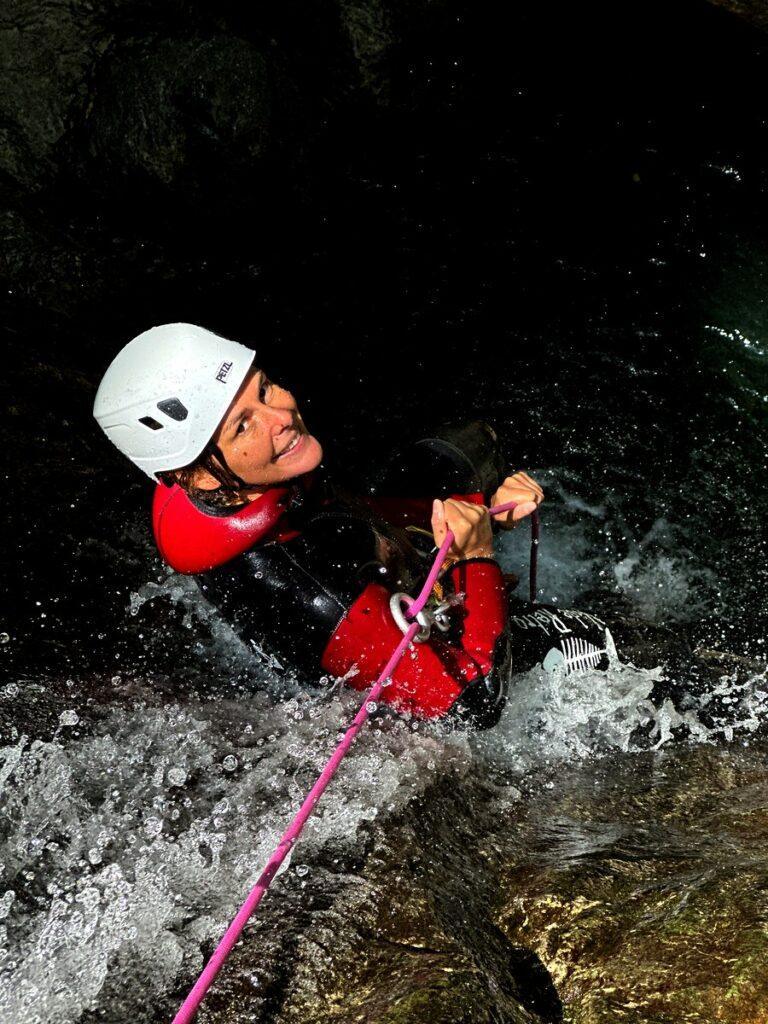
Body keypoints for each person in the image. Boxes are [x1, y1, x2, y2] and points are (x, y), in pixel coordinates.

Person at [94, 323, 611, 729]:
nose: (282, 415)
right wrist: (473, 561)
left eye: (266, 388)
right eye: (244, 424)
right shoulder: (315, 592)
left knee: (456, 450)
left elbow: (353, 520)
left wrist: (480, 509)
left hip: (366, 599)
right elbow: (473, 710)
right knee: (593, 637)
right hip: (429, 702)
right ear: (195, 470)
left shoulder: (231, 487)